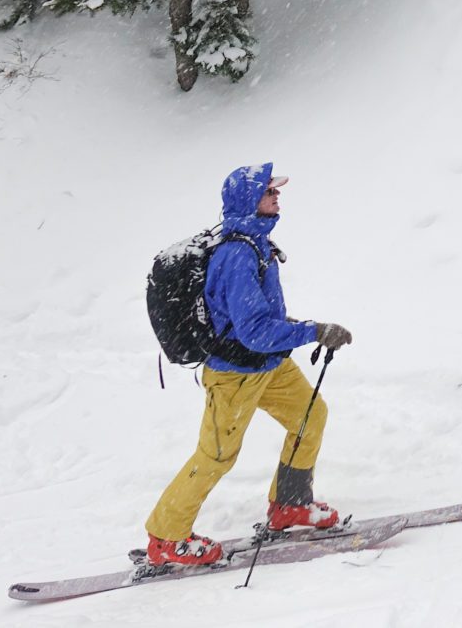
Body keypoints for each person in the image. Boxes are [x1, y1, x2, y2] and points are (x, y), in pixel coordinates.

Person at [143, 164, 354, 567]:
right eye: (268, 191)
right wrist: (313, 331)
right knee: (217, 455)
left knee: (310, 416)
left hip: (267, 365)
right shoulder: (237, 254)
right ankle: (166, 536)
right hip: (234, 374)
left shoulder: (257, 242)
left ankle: (289, 505)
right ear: (247, 199)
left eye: (276, 190)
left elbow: (258, 321)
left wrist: (295, 329)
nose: (277, 196)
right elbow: (254, 330)